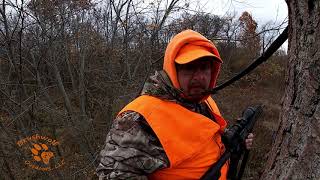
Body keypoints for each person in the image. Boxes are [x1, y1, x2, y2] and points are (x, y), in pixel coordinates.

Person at [96, 30, 254, 180]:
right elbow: (114, 174)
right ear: (172, 70)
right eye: (189, 68)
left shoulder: (205, 102)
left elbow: (207, 139)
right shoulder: (138, 119)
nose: (199, 77)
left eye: (205, 68)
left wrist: (235, 139)